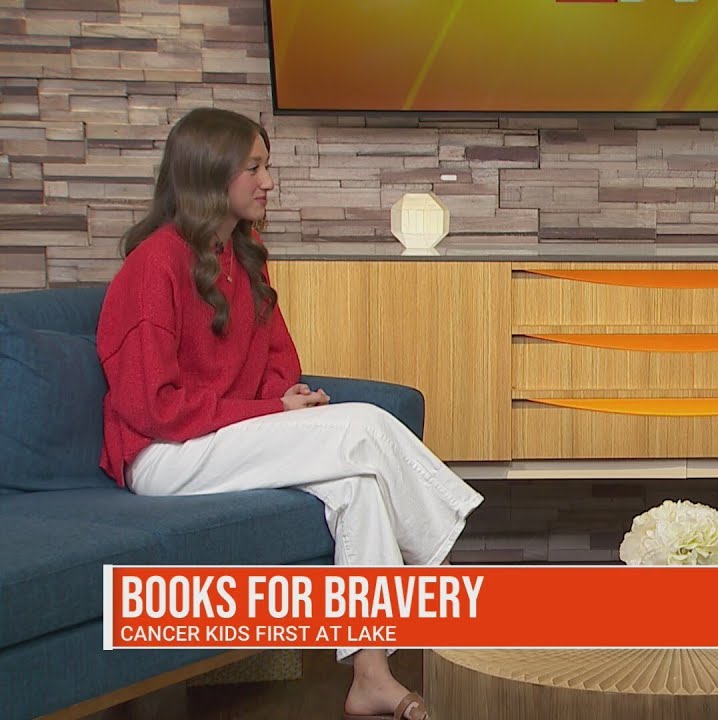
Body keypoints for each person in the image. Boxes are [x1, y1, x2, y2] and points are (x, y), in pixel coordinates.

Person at [96, 107, 482, 720]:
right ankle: (456, 594)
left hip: (222, 434)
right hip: (163, 453)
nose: (268, 182)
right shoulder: (155, 263)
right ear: (210, 173)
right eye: (253, 168)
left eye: (266, 167)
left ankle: (371, 677)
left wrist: (283, 403)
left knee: (358, 483)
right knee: (363, 426)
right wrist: (270, 410)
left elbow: (279, 362)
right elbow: (152, 407)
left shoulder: (243, 254)